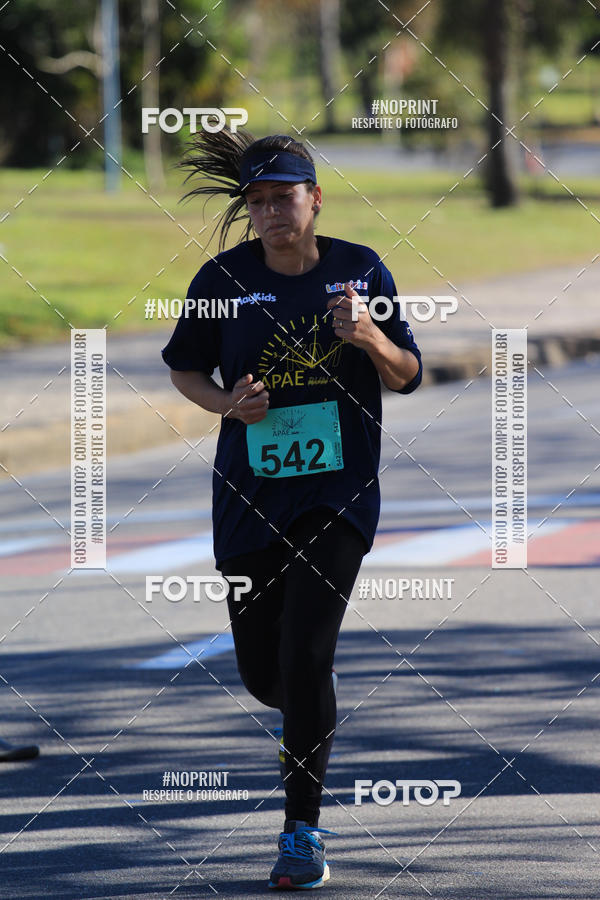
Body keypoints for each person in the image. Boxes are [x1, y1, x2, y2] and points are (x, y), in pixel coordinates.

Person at [162, 128, 422, 890]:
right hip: (249, 493)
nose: (271, 212)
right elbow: (185, 370)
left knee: (307, 658)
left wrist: (370, 336)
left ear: (316, 199)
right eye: (258, 202)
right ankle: (314, 716)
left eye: (285, 198)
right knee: (263, 671)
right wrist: (229, 406)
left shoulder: (359, 268)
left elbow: (408, 374)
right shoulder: (222, 278)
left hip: (337, 492)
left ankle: (300, 834)